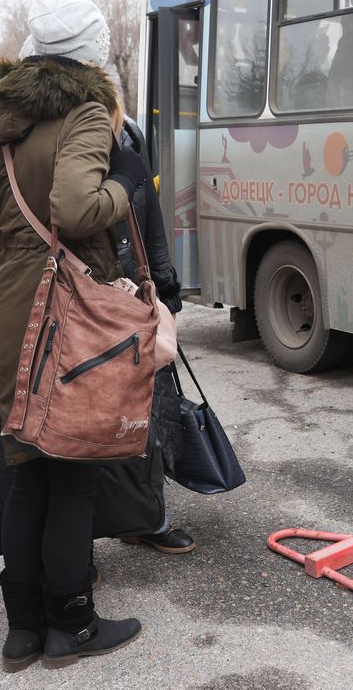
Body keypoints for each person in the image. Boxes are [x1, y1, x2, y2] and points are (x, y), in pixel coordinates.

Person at [0, 0, 150, 672]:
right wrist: (127, 182)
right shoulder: (84, 112)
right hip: (65, 308)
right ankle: (73, 625)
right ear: (90, 54)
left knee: (25, 471)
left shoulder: (3, 120)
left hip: (6, 304)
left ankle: (22, 630)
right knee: (72, 474)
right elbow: (75, 209)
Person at [113, 113, 197, 555]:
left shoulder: (130, 141)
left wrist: (167, 293)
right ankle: (80, 541)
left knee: (148, 419)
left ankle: (146, 518)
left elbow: (153, 231)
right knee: (90, 423)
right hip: (85, 308)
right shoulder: (57, 142)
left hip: (138, 302)